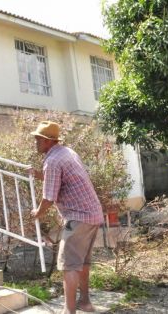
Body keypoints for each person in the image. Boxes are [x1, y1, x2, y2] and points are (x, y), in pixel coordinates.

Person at [29, 121, 104, 314]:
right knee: (82, 263)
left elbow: (48, 198)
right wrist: (39, 174)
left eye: (38, 139)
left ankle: (68, 311)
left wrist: (37, 213)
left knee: (68, 265)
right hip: (93, 215)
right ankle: (85, 303)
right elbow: (61, 179)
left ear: (48, 141)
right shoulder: (67, 153)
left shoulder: (52, 161)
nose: (35, 142)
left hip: (76, 219)